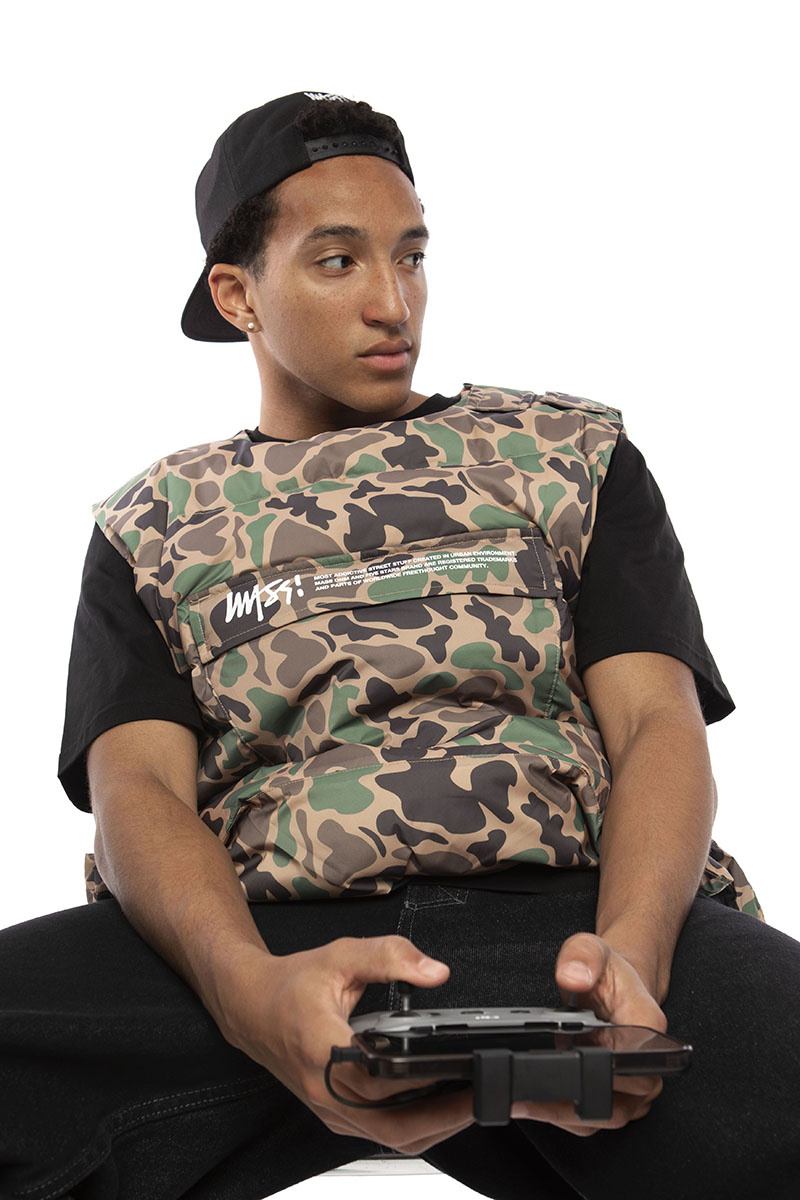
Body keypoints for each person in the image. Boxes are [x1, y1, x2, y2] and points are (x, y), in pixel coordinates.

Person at [1, 91, 798, 1200]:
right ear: (238, 294)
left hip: (569, 916)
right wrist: (247, 995)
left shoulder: (568, 453)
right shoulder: (152, 525)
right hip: (270, 938)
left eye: (411, 256)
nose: (394, 302)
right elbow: (136, 790)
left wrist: (631, 954)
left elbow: (656, 722)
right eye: (337, 261)